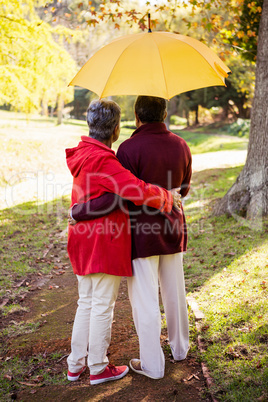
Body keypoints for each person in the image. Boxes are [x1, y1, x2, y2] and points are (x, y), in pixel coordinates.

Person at [65, 99, 181, 385]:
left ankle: (75, 364)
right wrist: (168, 197)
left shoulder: (83, 152)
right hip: (102, 240)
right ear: (116, 128)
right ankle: (98, 367)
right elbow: (134, 189)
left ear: (91, 124)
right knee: (102, 304)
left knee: (88, 302)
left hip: (82, 239)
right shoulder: (104, 159)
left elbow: (108, 195)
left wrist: (76, 212)